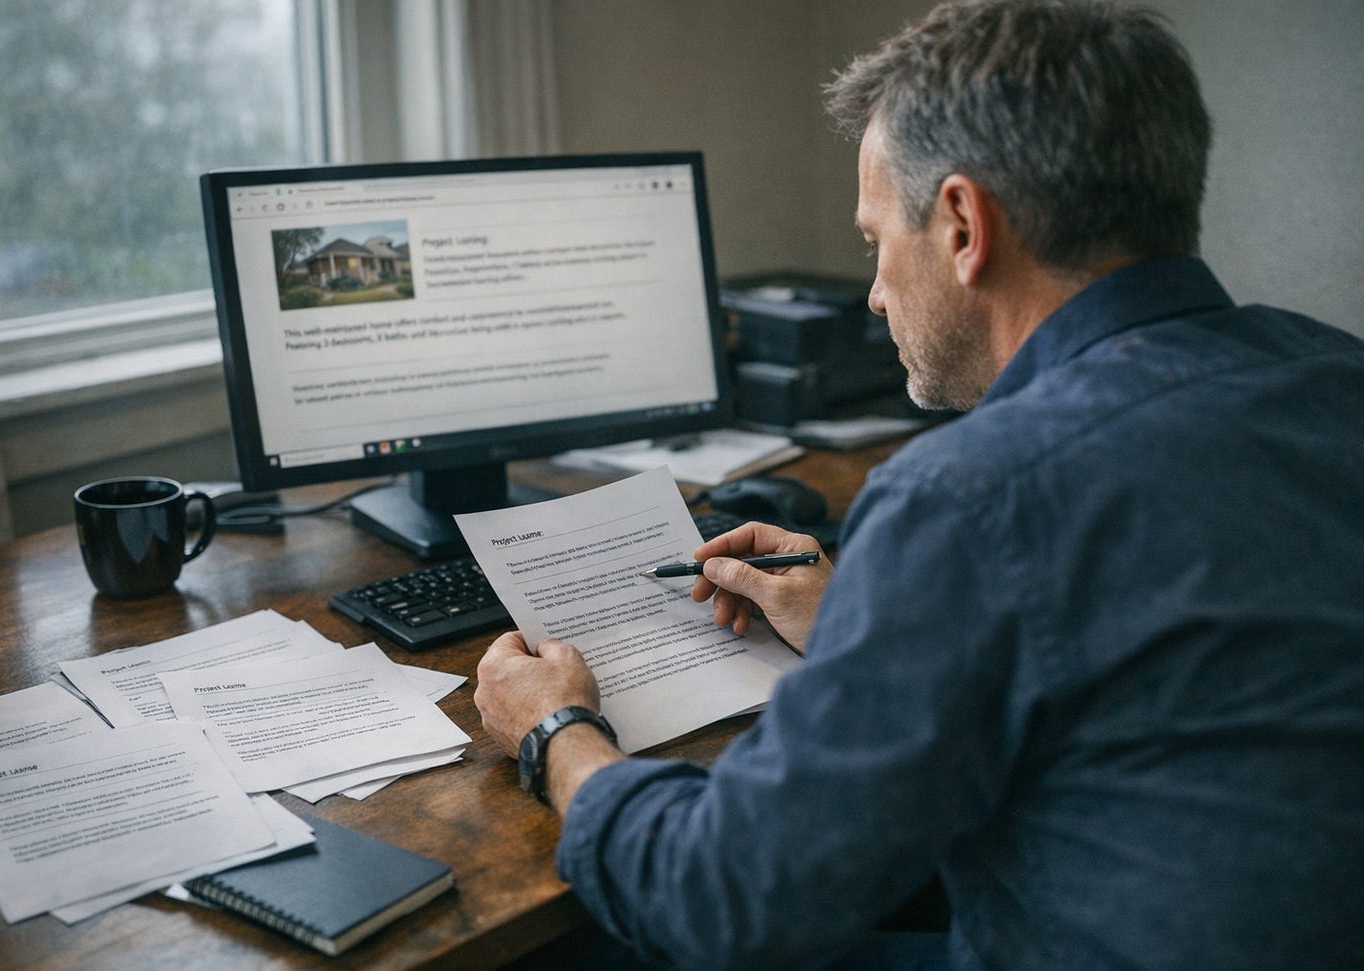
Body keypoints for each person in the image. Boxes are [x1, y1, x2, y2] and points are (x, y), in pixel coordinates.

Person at [474, 1, 1364, 967]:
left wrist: (556, 728)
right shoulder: (1337, 378)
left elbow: (722, 897)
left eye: (873, 240)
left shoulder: (973, 496)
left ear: (962, 224)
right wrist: (871, 610)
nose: (873, 290)